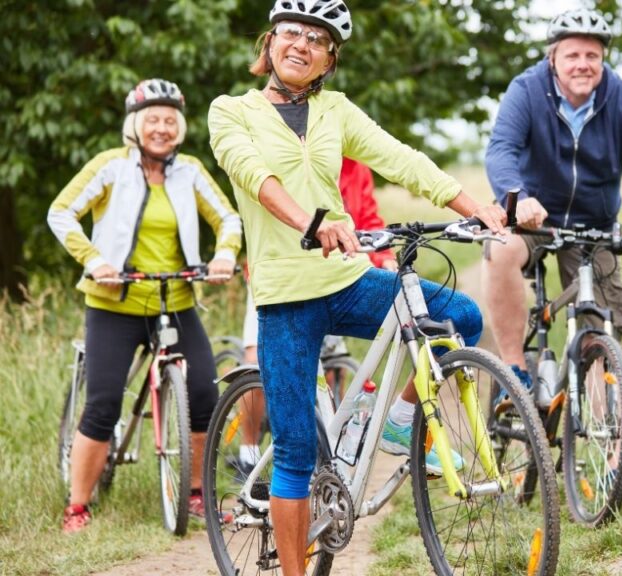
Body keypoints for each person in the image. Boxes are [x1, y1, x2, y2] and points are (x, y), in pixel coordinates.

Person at [207, 2, 504, 573]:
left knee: (461, 318)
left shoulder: (334, 109)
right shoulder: (231, 111)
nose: (302, 44)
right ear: (269, 43)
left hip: (347, 279)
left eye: (317, 39)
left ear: (329, 59)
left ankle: (390, 422)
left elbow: (401, 159)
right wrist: (311, 221)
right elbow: (252, 174)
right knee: (295, 450)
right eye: (292, 33)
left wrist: (475, 209)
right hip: (286, 296)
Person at [482, 9, 622, 503]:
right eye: (572, 54)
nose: (583, 63)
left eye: (592, 55)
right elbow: (501, 150)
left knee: (599, 337)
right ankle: (514, 371)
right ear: (553, 57)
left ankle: (612, 467)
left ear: (603, 60)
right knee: (500, 246)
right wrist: (517, 195)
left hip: (594, 228)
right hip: (534, 218)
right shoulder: (527, 91)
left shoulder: (619, 97)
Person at [48, 79, 242, 533]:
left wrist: (225, 254)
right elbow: (60, 212)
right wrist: (94, 260)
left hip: (174, 298)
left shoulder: (190, 170)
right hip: (114, 304)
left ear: (181, 126)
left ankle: (195, 495)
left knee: (202, 396)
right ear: (134, 125)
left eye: (170, 120)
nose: (161, 128)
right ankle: (78, 505)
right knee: (103, 403)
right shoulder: (110, 167)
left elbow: (228, 216)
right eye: (152, 119)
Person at [230, 158, 397, 477]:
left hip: (338, 275)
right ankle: (248, 453)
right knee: (257, 362)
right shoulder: (292, 157)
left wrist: (384, 258)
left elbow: (367, 219)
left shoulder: (354, 167)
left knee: (335, 363)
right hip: (282, 276)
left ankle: (330, 448)